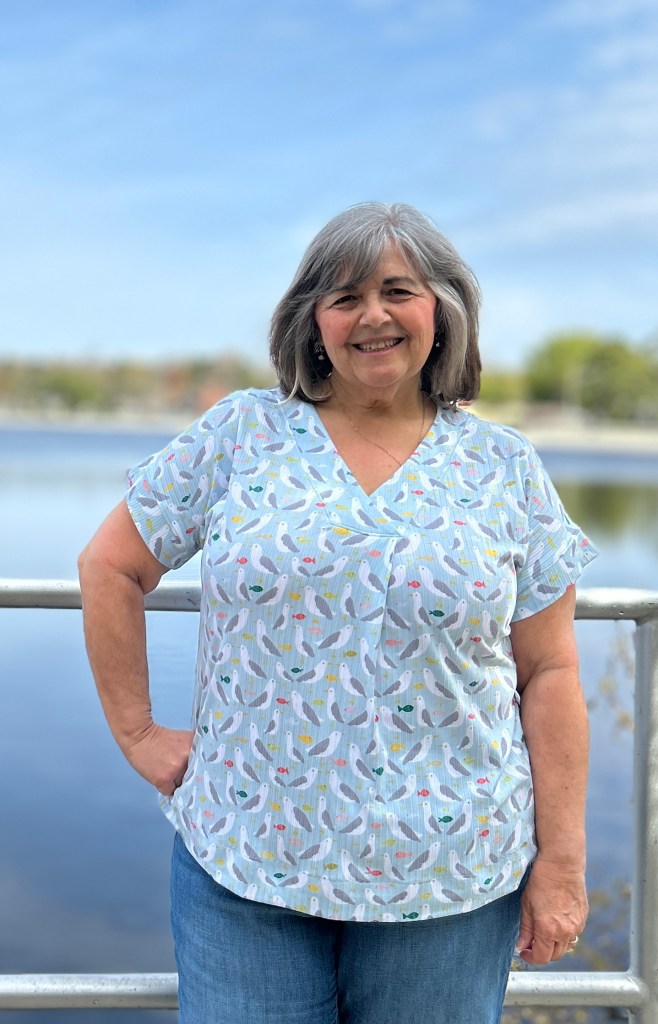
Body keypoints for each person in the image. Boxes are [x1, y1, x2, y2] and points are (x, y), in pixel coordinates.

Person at [78, 201, 597, 1024]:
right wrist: (138, 732)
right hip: (246, 855)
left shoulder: (504, 467)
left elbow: (551, 670)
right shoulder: (242, 434)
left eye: (398, 291)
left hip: (451, 874)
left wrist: (561, 863)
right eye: (345, 296)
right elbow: (110, 565)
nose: (372, 316)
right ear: (313, 321)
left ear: (442, 311)